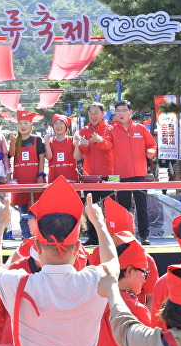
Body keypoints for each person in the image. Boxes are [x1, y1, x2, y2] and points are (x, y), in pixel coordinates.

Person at [0, 176, 119, 346]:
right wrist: (98, 222)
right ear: (77, 249)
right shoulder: (93, 281)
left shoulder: (21, 284)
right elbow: (113, 264)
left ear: (36, 248)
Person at [96, 233, 151, 346]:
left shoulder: (96, 300)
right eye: (144, 273)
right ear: (129, 271)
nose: (144, 279)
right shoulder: (136, 308)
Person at [89, 197, 159, 307]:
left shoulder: (144, 257)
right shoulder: (98, 252)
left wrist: (145, 323)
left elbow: (152, 297)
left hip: (133, 316)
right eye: (109, 235)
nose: (111, 239)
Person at [110, 100, 157, 246]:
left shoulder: (141, 129)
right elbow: (105, 145)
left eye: (124, 110)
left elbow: (152, 145)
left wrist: (151, 152)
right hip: (120, 174)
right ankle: (126, 236)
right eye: (118, 111)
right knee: (123, 207)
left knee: (141, 205)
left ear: (131, 112)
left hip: (139, 173)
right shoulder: (111, 130)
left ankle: (144, 235)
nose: (121, 113)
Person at [79, 103, 114, 245]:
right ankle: (93, 236)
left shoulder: (109, 129)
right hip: (89, 174)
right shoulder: (83, 130)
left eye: (96, 113)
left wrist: (100, 141)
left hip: (108, 172)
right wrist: (83, 145)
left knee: (109, 205)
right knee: (91, 206)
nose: (93, 116)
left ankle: (110, 235)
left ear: (103, 114)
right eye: (90, 113)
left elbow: (109, 146)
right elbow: (84, 152)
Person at [9, 110, 46, 239]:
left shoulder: (37, 139)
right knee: (23, 212)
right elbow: (12, 154)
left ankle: (39, 239)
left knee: (37, 211)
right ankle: (26, 239)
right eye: (20, 123)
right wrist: (12, 141)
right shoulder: (15, 140)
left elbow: (42, 158)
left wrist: (40, 176)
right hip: (20, 182)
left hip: (35, 180)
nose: (23, 126)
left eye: (26, 123)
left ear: (31, 125)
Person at [44, 114, 82, 183]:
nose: (58, 126)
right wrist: (46, 143)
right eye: (56, 123)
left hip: (71, 178)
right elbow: (49, 157)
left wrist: (76, 145)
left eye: (61, 123)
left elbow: (77, 157)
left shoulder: (72, 140)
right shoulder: (50, 141)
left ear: (66, 126)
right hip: (54, 179)